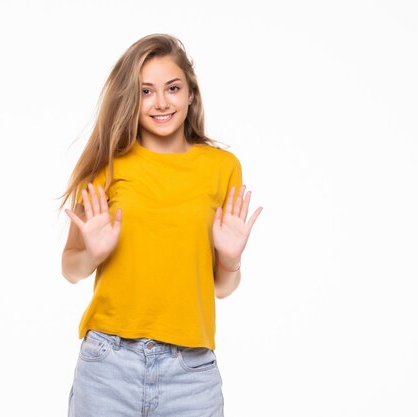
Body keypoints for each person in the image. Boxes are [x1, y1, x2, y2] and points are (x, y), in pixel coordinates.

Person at [59, 33, 262, 417]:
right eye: (146, 91)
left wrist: (230, 258)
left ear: (190, 94)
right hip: (108, 365)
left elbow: (222, 287)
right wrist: (93, 253)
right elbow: (70, 268)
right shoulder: (107, 165)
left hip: (191, 372)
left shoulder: (222, 168)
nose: (162, 102)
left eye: (172, 88)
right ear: (129, 99)